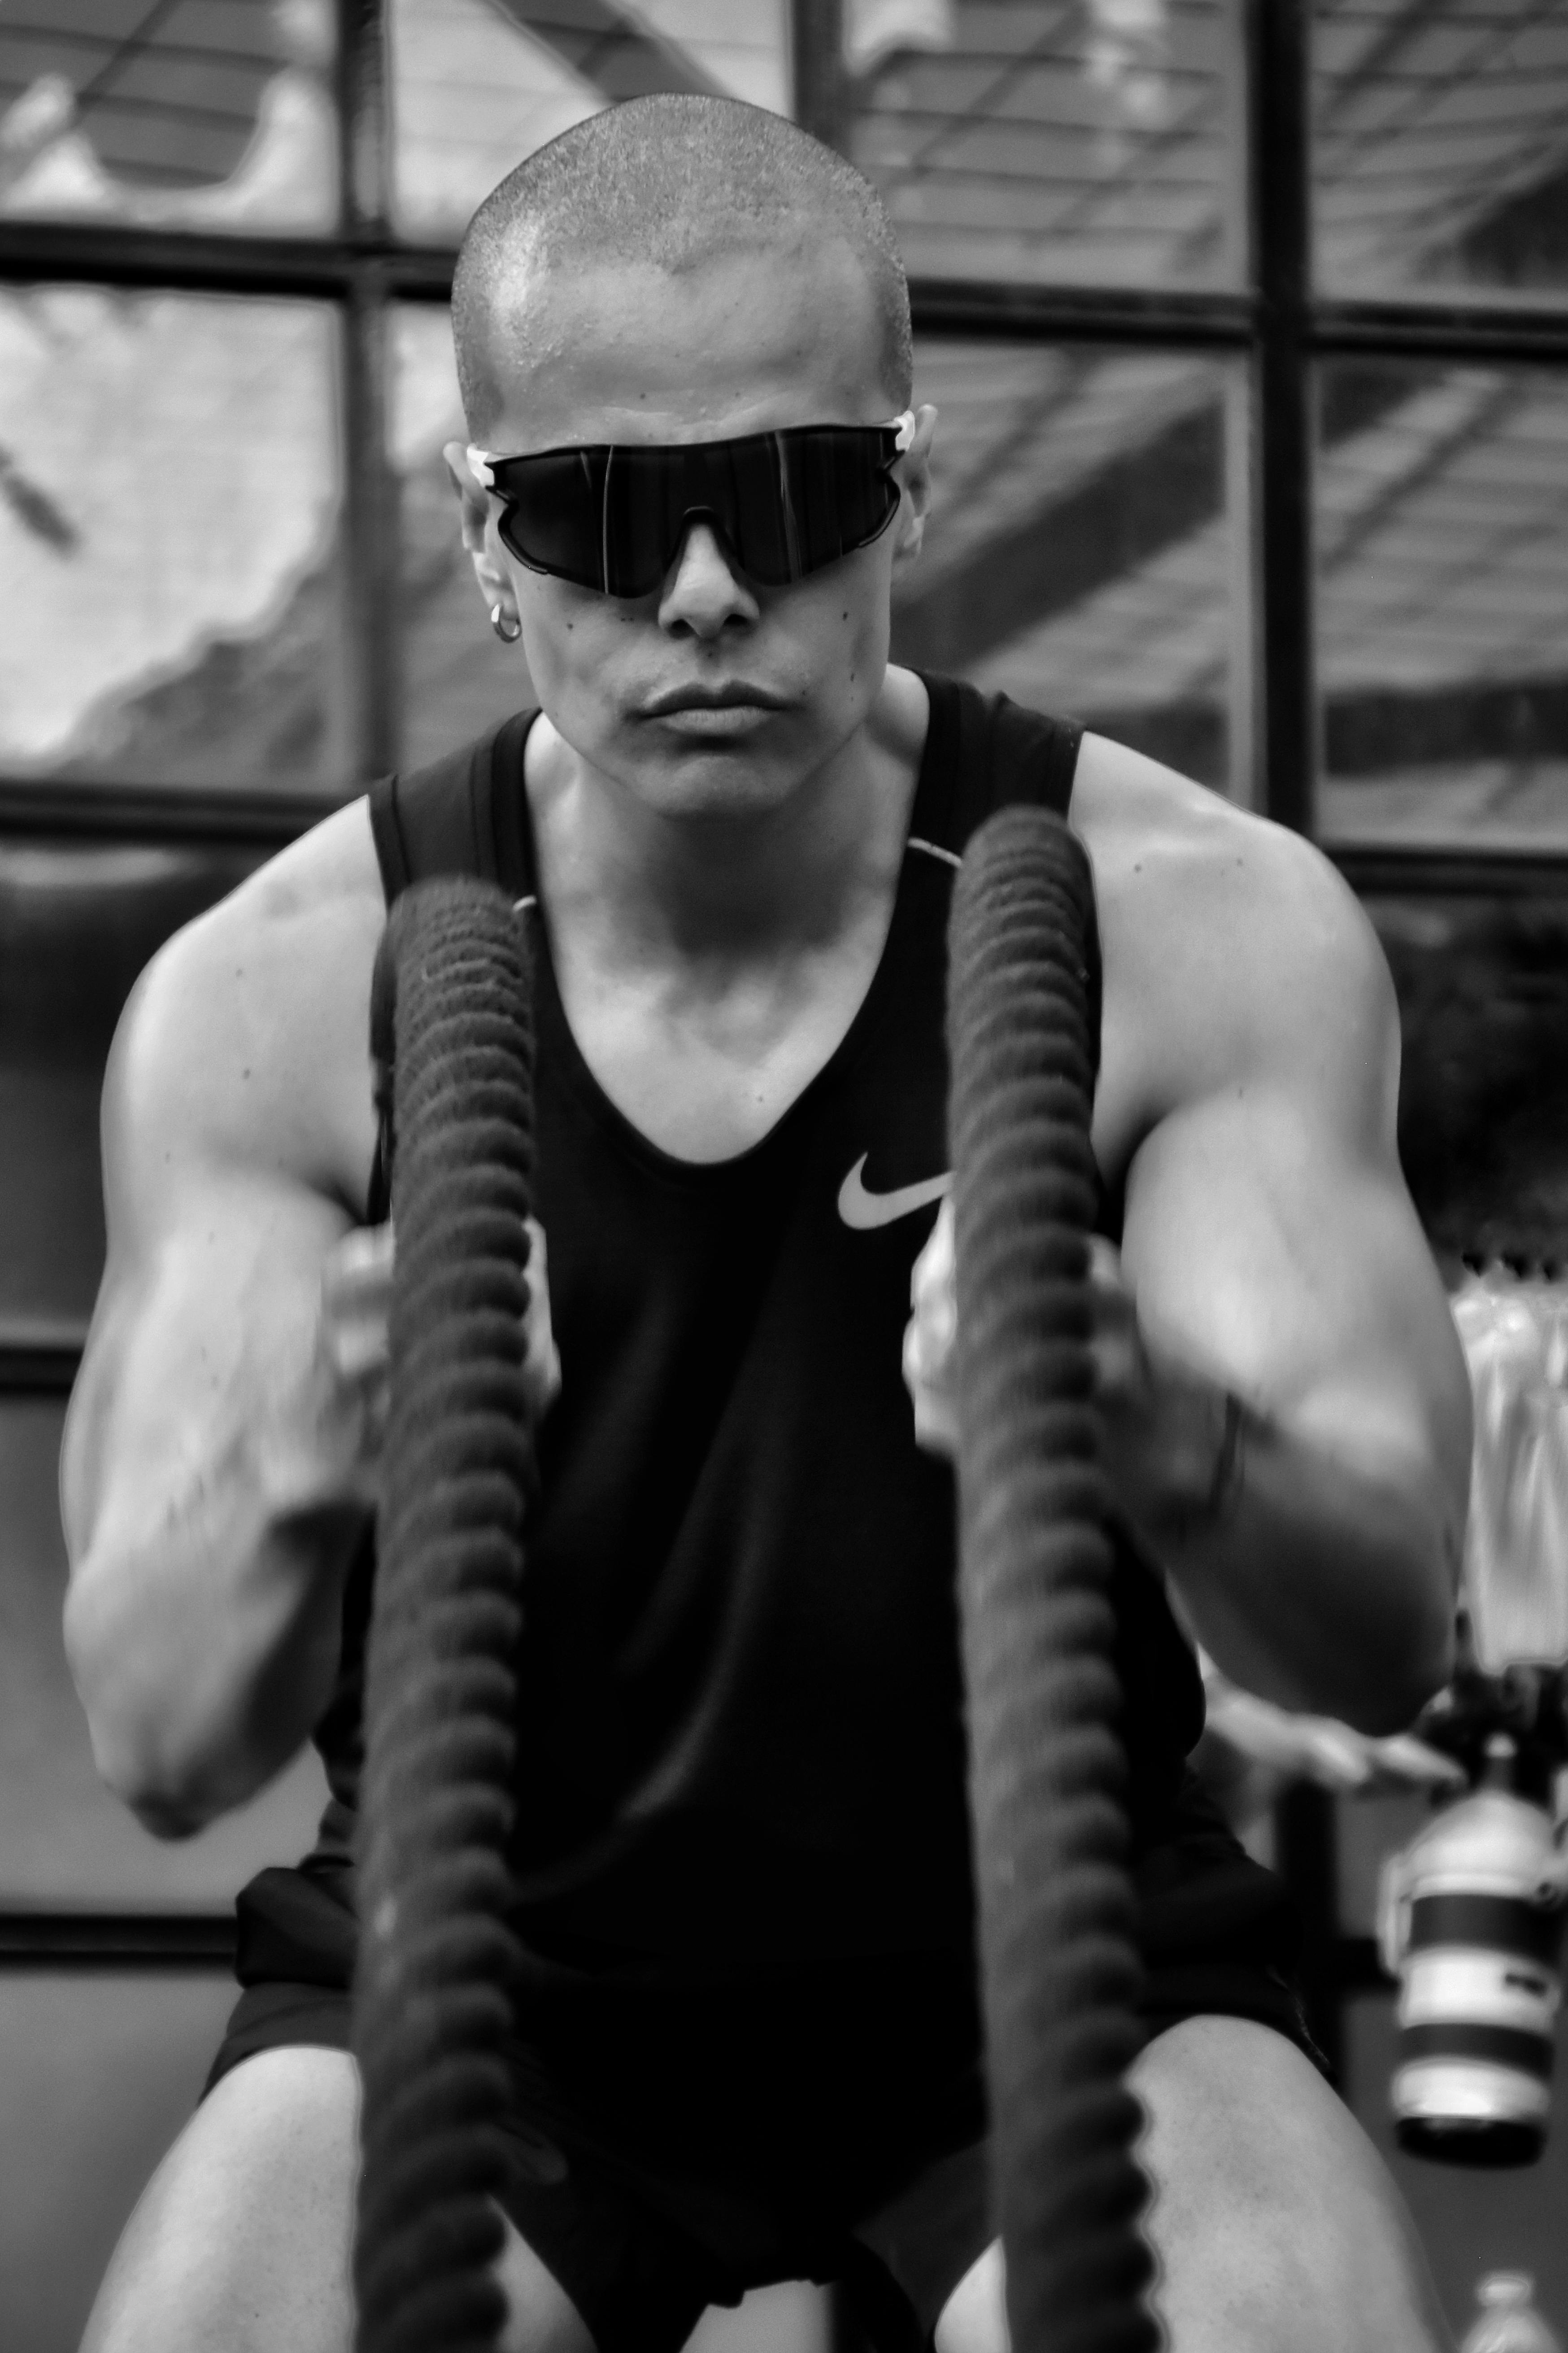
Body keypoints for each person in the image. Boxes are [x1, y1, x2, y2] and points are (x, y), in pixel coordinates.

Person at [62, 93, 1470, 2353]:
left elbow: (1381, 1646)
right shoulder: (270, 1003)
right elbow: (154, 1742)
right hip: (493, 1985)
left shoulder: (1202, 929)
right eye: (603, 515)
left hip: (1050, 1961)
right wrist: (306, 1452)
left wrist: (1166, 1428)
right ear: (487, 538)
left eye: (793, 493)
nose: (707, 589)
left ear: (907, 489)